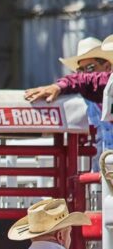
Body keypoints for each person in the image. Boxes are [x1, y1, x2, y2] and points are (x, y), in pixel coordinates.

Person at [24, 36, 113, 164]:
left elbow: (87, 81)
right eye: (80, 70)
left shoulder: (101, 86)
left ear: (108, 67)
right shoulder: (89, 99)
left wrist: (59, 86)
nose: (83, 74)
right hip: (105, 171)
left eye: (89, 68)